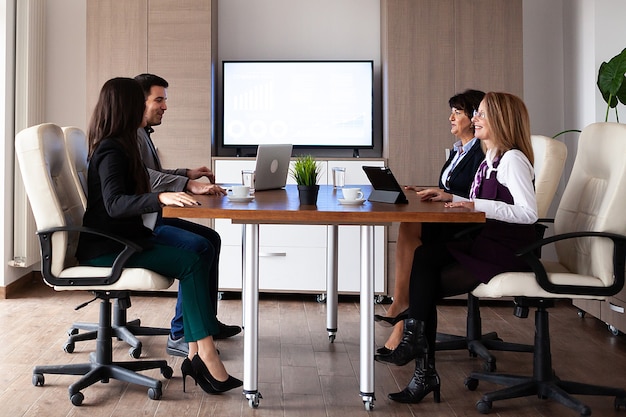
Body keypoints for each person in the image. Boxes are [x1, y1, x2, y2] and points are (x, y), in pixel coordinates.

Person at [76, 77, 242, 395]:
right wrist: (160, 198)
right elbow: (114, 204)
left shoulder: (122, 145)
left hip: (127, 239)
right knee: (192, 261)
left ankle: (196, 354)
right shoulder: (111, 149)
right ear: (126, 106)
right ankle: (202, 355)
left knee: (196, 256)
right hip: (109, 248)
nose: (151, 108)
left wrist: (174, 186)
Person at [375, 92, 538, 404]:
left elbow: (528, 213)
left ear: (501, 120)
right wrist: (452, 198)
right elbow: (482, 202)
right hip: (486, 241)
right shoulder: (489, 158)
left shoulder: (513, 159)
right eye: (474, 114)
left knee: (425, 283)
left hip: (508, 249)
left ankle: (420, 363)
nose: (474, 119)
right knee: (423, 258)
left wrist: (474, 204)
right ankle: (418, 354)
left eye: (481, 114)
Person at [133, 73, 241, 358]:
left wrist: (185, 174)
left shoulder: (142, 134)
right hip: (143, 222)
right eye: (159, 100)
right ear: (138, 101)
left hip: (152, 216)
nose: (164, 106)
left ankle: (206, 323)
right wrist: (189, 184)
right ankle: (182, 332)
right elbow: (143, 178)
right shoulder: (129, 136)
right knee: (198, 247)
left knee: (210, 237)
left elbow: (153, 174)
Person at [374, 89, 485, 353]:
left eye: (457, 113)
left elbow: (479, 194)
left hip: (468, 227)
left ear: (473, 117)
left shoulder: (481, 152)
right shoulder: (458, 151)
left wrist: (447, 195)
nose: (451, 118)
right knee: (409, 224)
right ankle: (401, 307)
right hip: (452, 218)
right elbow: (451, 187)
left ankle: (401, 306)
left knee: (412, 228)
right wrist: (428, 191)